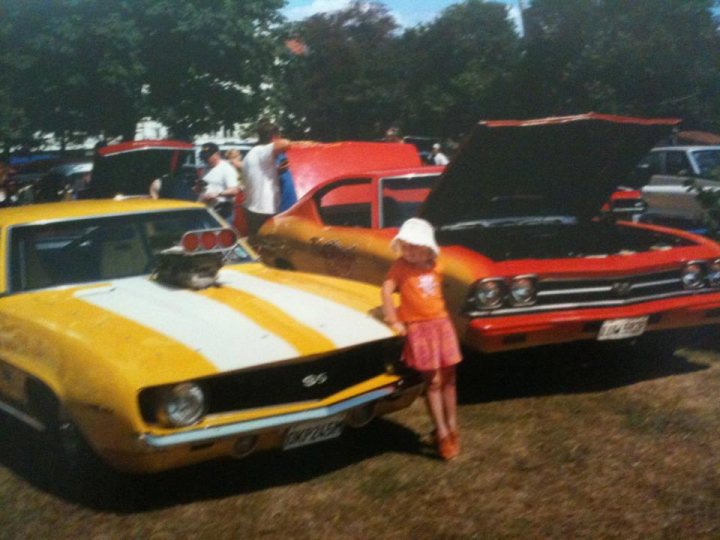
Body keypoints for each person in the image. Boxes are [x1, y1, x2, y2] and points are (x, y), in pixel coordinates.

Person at [381, 218, 462, 461]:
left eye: (415, 247)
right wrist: (393, 319)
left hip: (441, 325)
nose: (409, 252)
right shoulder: (399, 266)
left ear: (428, 248)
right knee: (434, 382)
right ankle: (442, 433)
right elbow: (386, 289)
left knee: (449, 378)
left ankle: (452, 426)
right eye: (405, 246)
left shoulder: (436, 265)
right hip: (419, 329)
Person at [242, 120, 291, 236]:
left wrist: (277, 171)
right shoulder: (262, 151)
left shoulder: (252, 153)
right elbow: (285, 144)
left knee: (256, 246)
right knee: (269, 249)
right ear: (274, 138)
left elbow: (260, 175)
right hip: (264, 211)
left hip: (253, 209)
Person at [197, 142, 240, 221]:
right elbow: (203, 186)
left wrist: (217, 194)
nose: (206, 160)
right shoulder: (205, 168)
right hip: (207, 209)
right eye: (204, 157)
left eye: (208, 157)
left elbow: (234, 190)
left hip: (222, 210)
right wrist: (198, 188)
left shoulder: (226, 169)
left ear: (217, 154)